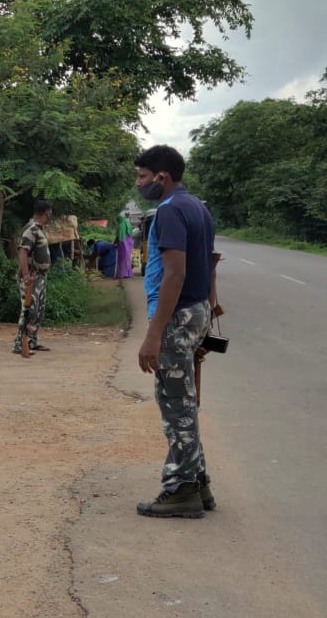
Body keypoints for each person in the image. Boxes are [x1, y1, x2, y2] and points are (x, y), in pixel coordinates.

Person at [134, 145, 217, 519]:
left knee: (176, 407)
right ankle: (198, 485)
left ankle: (181, 489)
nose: (140, 184)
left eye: (142, 177)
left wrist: (154, 335)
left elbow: (174, 274)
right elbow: (209, 265)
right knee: (182, 402)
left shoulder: (168, 212)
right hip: (195, 312)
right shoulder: (198, 207)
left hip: (176, 317)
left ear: (161, 177)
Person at [13, 199, 53, 357]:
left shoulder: (39, 229)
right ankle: (20, 343)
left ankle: (32, 341)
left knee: (38, 309)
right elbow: (23, 251)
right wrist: (26, 275)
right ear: (47, 212)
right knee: (28, 309)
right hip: (32, 276)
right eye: (50, 212)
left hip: (40, 276)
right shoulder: (31, 229)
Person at [114, 212, 135, 279]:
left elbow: (118, 237)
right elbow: (131, 234)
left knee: (122, 258)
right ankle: (128, 274)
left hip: (122, 244)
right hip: (129, 244)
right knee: (127, 258)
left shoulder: (120, 226)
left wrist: (114, 243)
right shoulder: (128, 224)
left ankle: (122, 274)